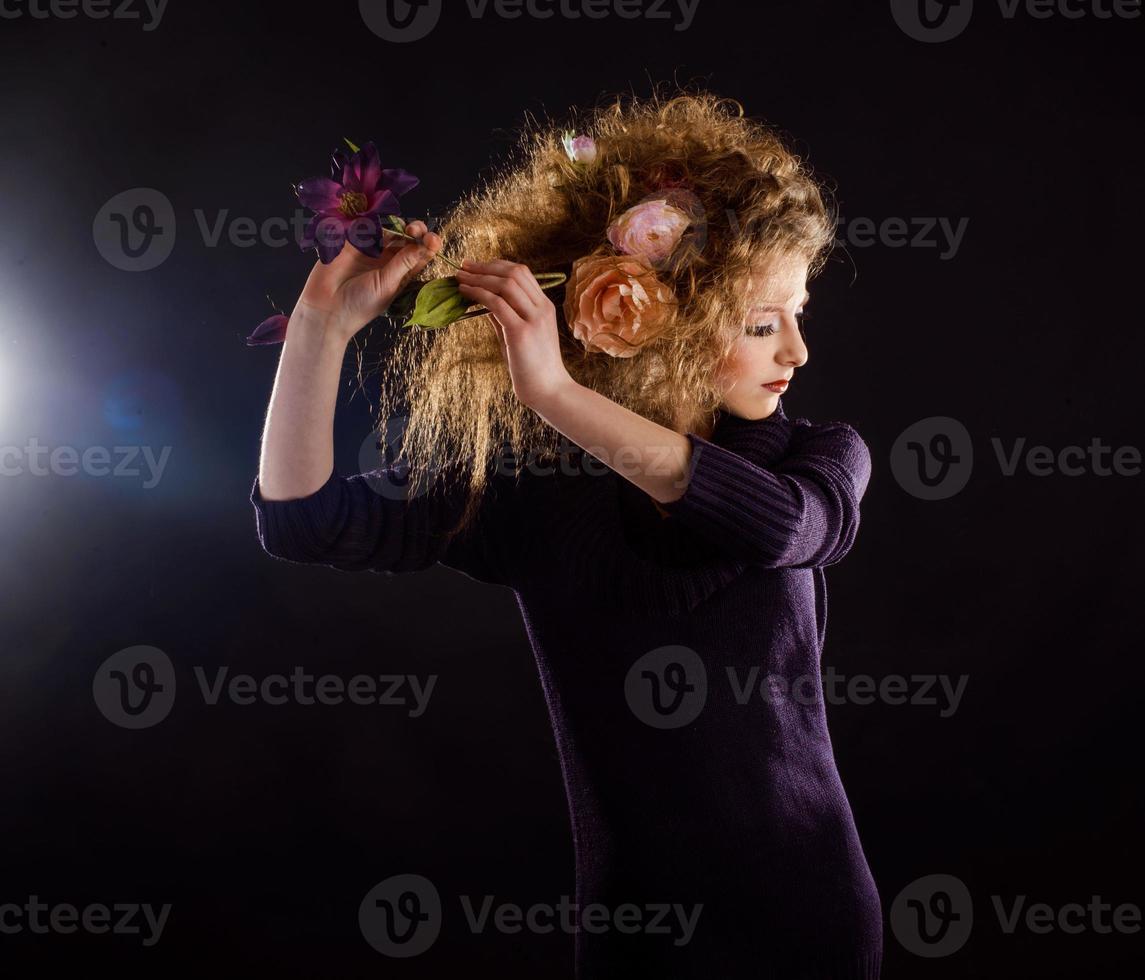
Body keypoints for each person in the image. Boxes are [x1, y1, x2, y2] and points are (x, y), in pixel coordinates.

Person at [251, 89, 882, 979]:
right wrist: (319, 329)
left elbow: (779, 528)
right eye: (760, 322)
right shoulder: (534, 493)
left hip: (807, 922)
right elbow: (305, 522)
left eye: (797, 312)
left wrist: (553, 392)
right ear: (667, 323)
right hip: (636, 943)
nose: (797, 353)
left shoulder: (819, 459)